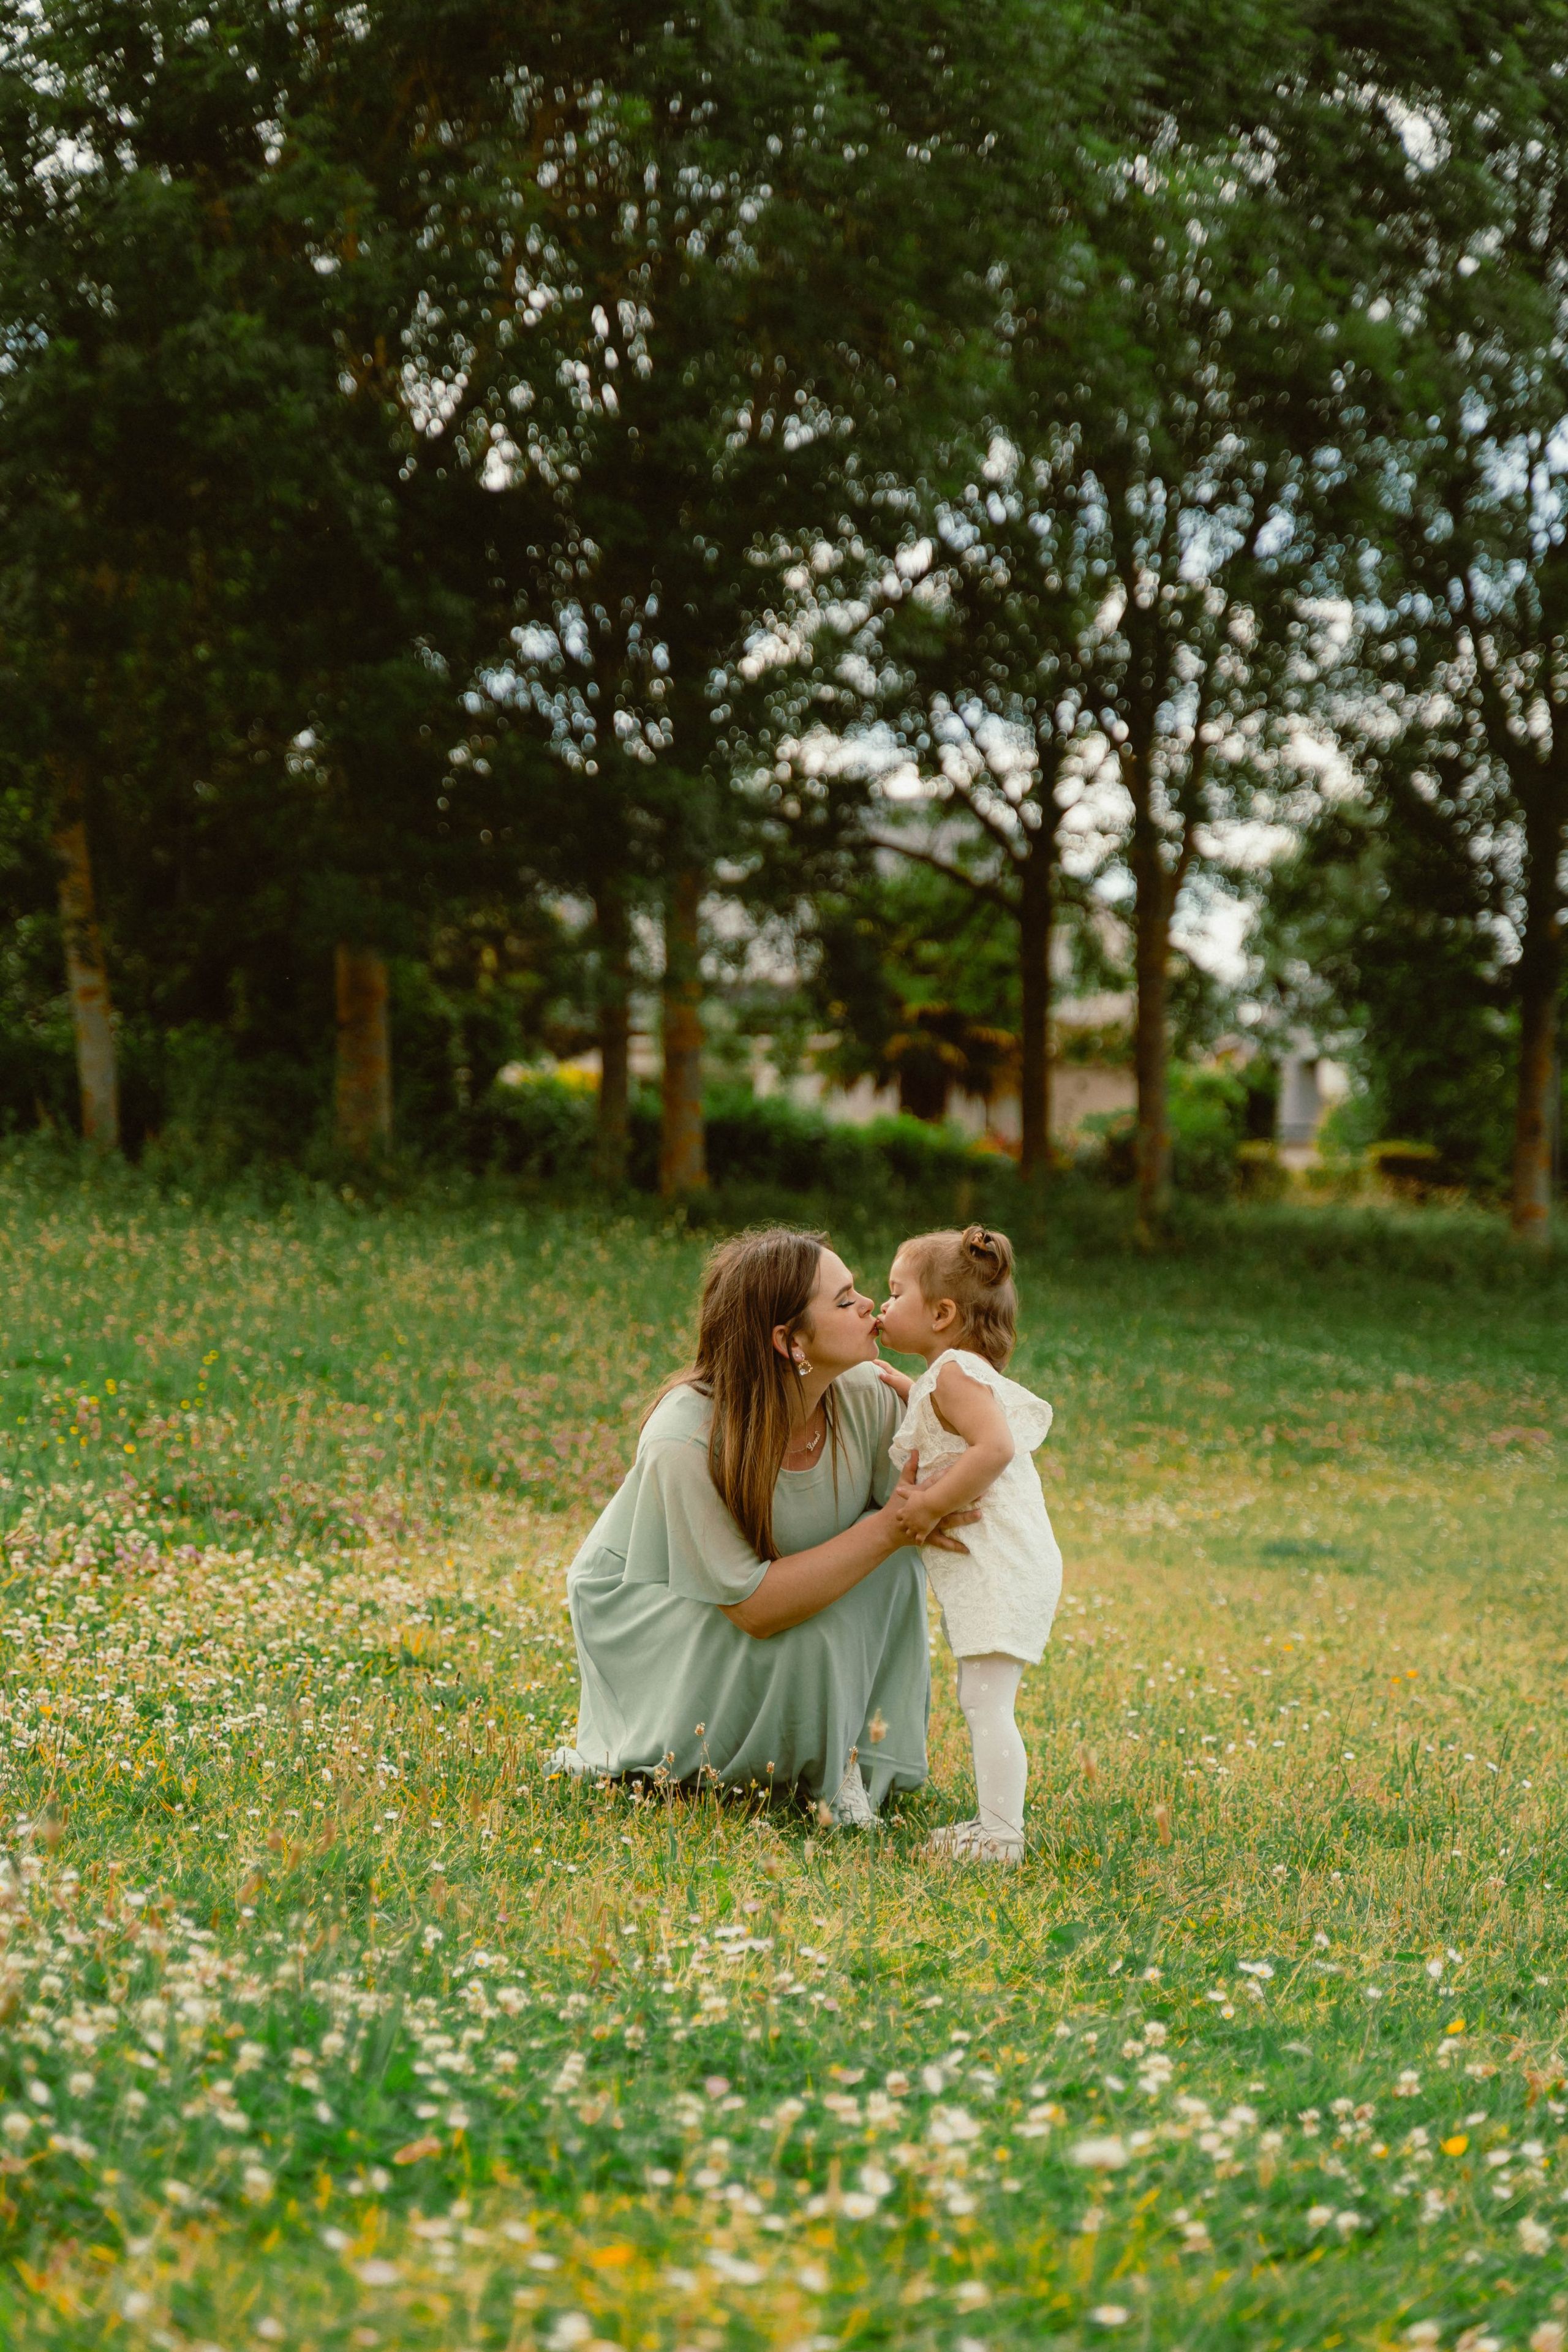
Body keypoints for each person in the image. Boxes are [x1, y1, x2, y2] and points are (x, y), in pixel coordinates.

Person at [551, 1227, 978, 1823]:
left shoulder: (866, 1395)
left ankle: (850, 1760)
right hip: (664, 1611)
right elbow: (752, 1607)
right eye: (844, 1299)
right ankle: (800, 1764)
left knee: (899, 1565)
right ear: (789, 1341)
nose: (869, 1306)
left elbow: (938, 1491)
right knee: (856, 1579)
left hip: (767, 1585)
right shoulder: (684, 1439)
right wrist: (891, 1527)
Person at [875, 1224, 1063, 1863]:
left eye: (894, 1293)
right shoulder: (950, 1375)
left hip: (1002, 1564)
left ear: (941, 1314)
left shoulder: (954, 1374)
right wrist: (905, 1388)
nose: (882, 1306)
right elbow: (948, 1421)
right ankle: (991, 1826)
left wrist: (929, 1505)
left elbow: (995, 1446)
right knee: (983, 1699)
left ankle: (1000, 1837)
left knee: (986, 1703)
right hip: (1010, 1562)